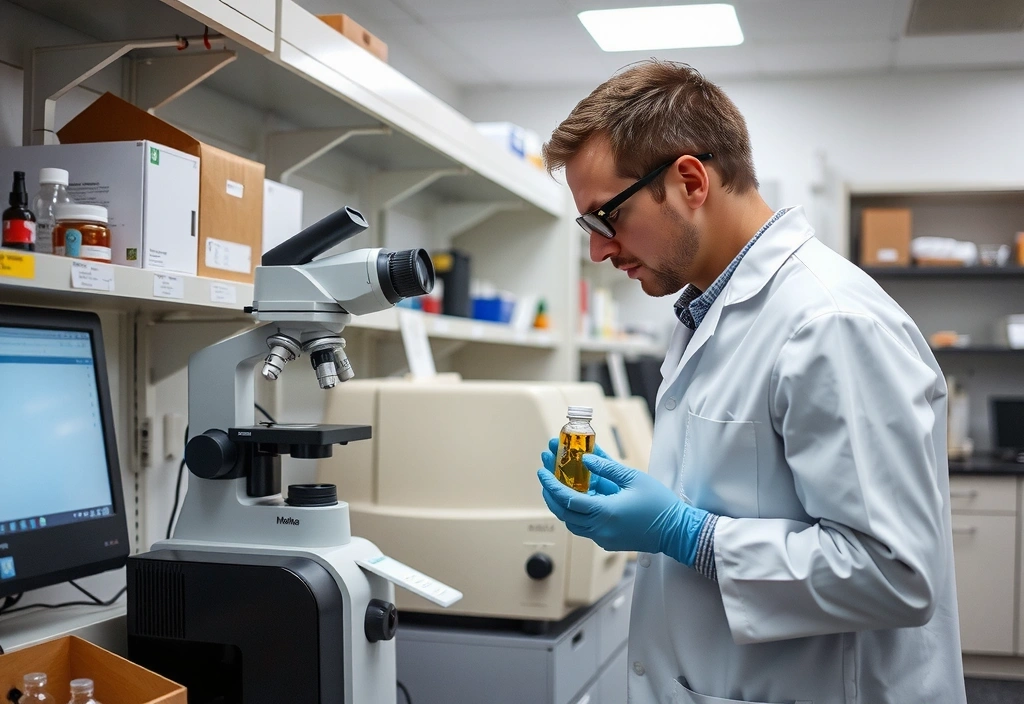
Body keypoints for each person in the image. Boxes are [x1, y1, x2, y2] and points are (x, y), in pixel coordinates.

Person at [536, 60, 966, 704]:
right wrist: (658, 508)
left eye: (606, 218)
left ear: (689, 181)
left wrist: (689, 534)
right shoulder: (706, 312)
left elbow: (894, 574)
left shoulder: (829, 322)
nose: (598, 250)